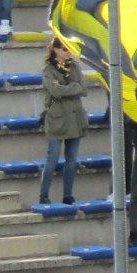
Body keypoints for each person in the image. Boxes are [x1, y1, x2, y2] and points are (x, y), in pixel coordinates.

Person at [37, 40, 86, 206]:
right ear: (55, 50)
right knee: (53, 158)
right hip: (57, 118)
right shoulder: (48, 69)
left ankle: (68, 195)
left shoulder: (75, 66)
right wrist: (72, 87)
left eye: (70, 49)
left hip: (74, 117)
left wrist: (67, 89)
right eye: (64, 49)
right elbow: (55, 90)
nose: (68, 52)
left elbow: (83, 88)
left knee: (72, 160)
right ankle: (44, 195)